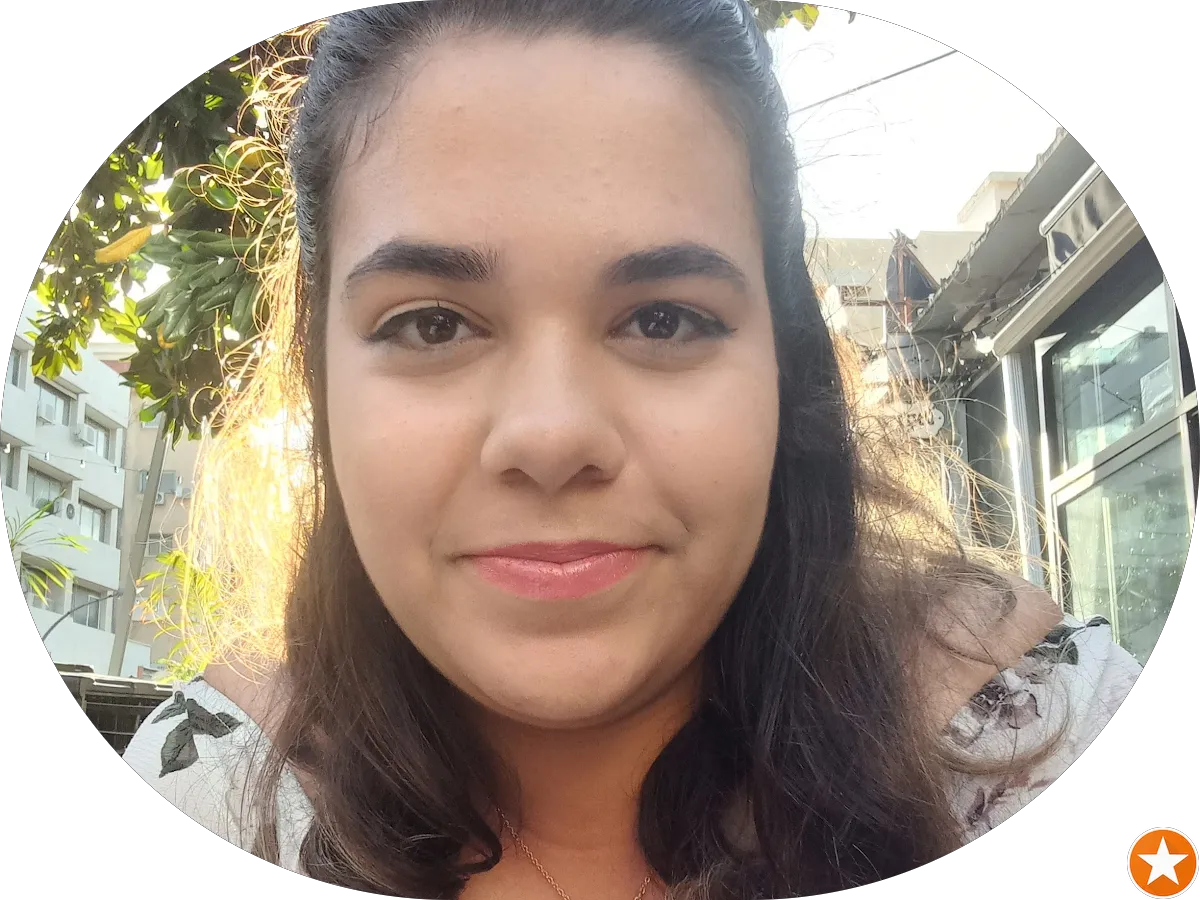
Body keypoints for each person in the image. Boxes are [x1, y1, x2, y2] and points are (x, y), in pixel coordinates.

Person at [120, 3, 1145, 898]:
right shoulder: (219, 789)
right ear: (320, 376)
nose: (552, 435)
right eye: (432, 324)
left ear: (785, 363)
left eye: (663, 319)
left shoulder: (1030, 741)